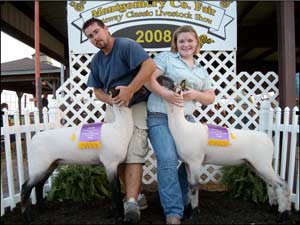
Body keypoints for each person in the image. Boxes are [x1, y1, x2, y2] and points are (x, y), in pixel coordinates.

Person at [82, 18, 156, 223]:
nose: (95, 38)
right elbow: (97, 91)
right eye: (90, 36)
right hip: (114, 108)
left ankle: (131, 202)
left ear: (106, 28)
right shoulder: (96, 61)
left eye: (97, 32)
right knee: (116, 153)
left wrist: (130, 90)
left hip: (137, 104)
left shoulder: (126, 45)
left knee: (134, 149)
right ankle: (138, 195)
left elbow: (149, 66)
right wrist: (112, 100)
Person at [146, 25, 215, 224]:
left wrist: (195, 94)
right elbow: (149, 80)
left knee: (189, 162)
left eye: (190, 40)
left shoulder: (201, 70)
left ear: (196, 44)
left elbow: (210, 97)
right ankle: (173, 212)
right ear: (175, 43)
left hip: (187, 120)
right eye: (181, 41)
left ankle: (184, 201)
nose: (185, 44)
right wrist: (166, 93)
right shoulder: (165, 58)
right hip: (160, 115)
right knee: (167, 159)